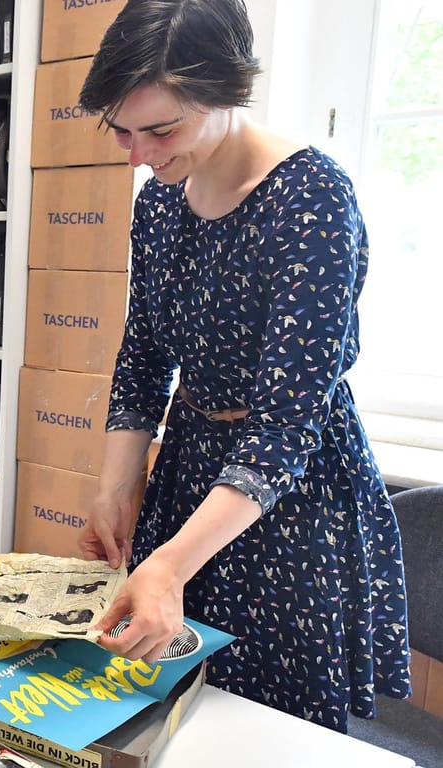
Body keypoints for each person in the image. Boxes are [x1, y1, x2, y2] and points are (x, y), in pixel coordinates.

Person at [76, 0, 411, 732]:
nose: (139, 155)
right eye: (123, 132)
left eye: (162, 129)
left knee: (261, 728)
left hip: (286, 502)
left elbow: (285, 428)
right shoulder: (160, 203)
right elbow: (142, 357)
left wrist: (169, 564)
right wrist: (116, 481)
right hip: (192, 469)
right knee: (163, 712)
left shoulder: (312, 200)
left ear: (229, 90)